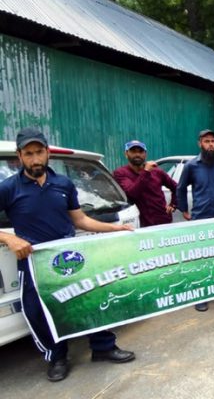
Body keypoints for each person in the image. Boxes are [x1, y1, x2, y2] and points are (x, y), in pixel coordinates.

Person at [0, 127, 135, 382]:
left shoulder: (63, 184)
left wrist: (116, 228)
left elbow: (81, 220)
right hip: (33, 262)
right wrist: (9, 238)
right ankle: (57, 357)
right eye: (28, 154)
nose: (35, 159)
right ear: (19, 156)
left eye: (39, 152)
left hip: (68, 257)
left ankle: (103, 347)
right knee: (38, 311)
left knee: (89, 300)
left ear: (48, 152)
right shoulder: (8, 188)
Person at [176, 129, 214, 312]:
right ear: (199, 143)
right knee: (201, 256)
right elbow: (181, 188)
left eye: (213, 141)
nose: (210, 144)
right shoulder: (191, 166)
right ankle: (201, 294)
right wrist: (184, 209)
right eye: (206, 141)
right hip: (201, 216)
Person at [113, 140, 178, 227]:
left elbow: (176, 187)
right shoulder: (121, 173)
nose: (137, 154)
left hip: (162, 221)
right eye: (133, 151)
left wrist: (173, 204)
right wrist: (146, 171)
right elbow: (133, 193)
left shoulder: (157, 172)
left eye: (140, 151)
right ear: (126, 154)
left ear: (145, 154)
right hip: (139, 224)